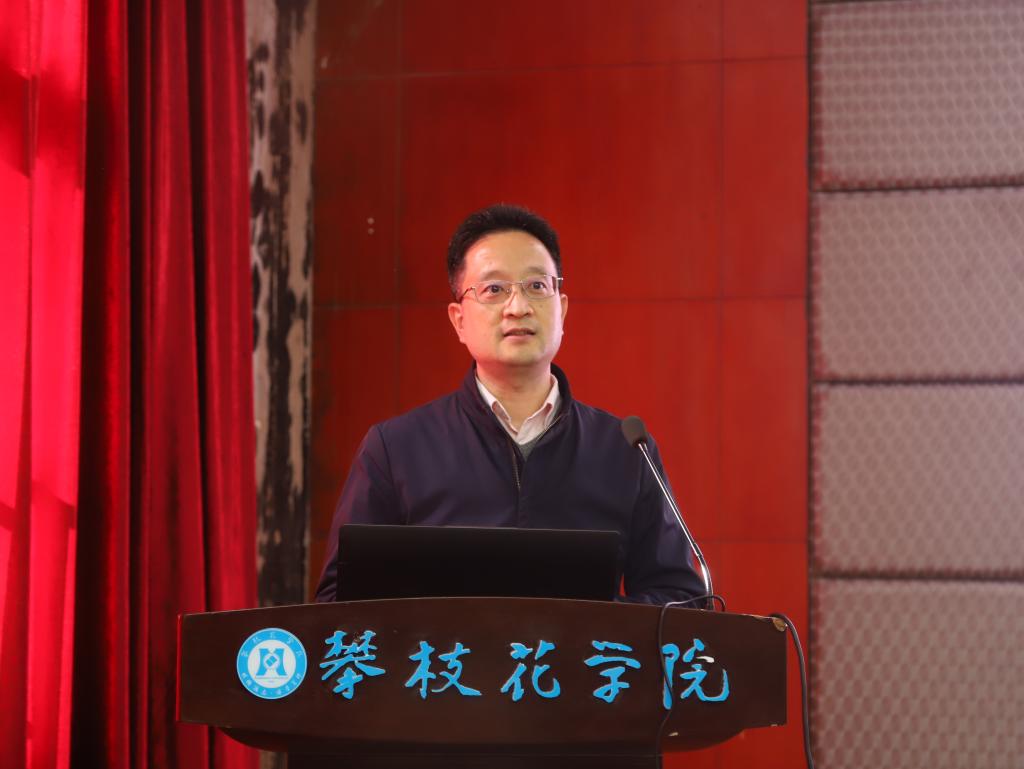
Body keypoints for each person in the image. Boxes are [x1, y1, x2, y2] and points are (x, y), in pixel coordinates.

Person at [314, 204, 704, 605]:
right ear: (459, 320)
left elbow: (681, 599)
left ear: (562, 309)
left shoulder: (624, 449)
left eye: (536, 286)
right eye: (494, 290)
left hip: (582, 650)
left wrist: (585, 621)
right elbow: (339, 602)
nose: (518, 307)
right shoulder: (396, 449)